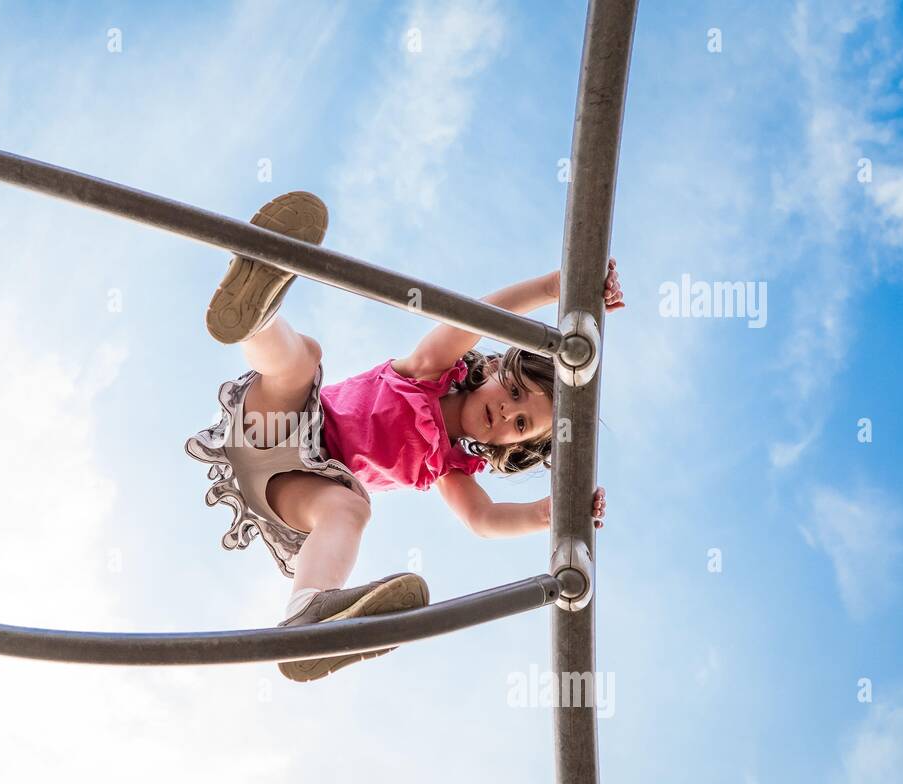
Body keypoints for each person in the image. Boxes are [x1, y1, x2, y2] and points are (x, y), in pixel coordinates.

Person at [186, 192, 620, 681]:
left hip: (296, 489)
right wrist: (556, 286)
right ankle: (256, 314)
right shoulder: (429, 371)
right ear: (496, 368)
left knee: (352, 508)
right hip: (282, 424)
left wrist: (551, 513)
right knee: (301, 362)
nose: (506, 411)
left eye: (520, 424)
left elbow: (483, 518)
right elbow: (473, 316)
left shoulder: (450, 466)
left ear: (512, 448)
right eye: (515, 391)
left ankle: (306, 612)